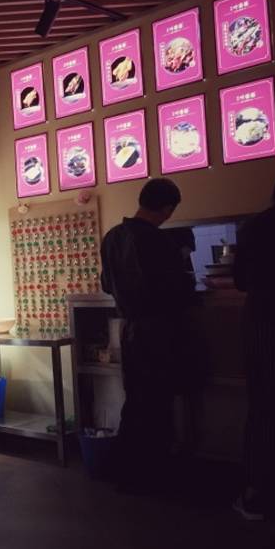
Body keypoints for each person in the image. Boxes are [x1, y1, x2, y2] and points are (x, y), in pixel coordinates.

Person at [101, 178, 195, 493]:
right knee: (157, 403)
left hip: (129, 330)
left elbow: (106, 284)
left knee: (136, 400)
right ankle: (151, 474)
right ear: (167, 209)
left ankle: (127, 472)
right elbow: (178, 290)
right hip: (158, 332)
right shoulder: (159, 241)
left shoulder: (112, 237)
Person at [233, 172, 275, 521]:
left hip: (264, 324)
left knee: (264, 406)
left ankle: (256, 493)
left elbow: (240, 280)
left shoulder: (254, 227)